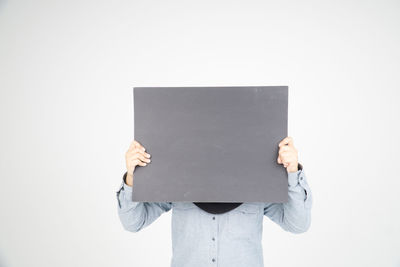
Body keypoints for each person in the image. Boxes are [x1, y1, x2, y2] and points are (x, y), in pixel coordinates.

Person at [116, 137, 312, 267]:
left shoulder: (257, 186)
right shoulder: (177, 185)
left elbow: (298, 224)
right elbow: (133, 223)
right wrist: (133, 177)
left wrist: (293, 171)